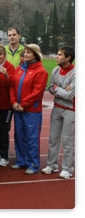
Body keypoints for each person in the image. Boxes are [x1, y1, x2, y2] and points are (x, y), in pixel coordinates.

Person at [10, 44, 48, 174]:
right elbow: (12, 86)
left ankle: (33, 163)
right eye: (25, 52)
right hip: (18, 108)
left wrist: (23, 104)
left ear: (36, 55)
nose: (25, 54)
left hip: (32, 110)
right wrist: (14, 102)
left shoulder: (41, 71)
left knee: (31, 137)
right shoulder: (19, 69)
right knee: (19, 135)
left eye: (29, 53)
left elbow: (37, 92)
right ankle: (21, 161)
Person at [42, 46, 75, 179]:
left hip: (71, 110)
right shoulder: (55, 70)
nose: (57, 57)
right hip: (57, 108)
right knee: (53, 138)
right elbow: (50, 88)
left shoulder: (76, 73)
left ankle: (67, 168)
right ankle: (52, 164)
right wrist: (60, 89)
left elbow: (70, 95)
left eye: (60, 55)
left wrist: (57, 89)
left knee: (68, 141)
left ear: (68, 58)